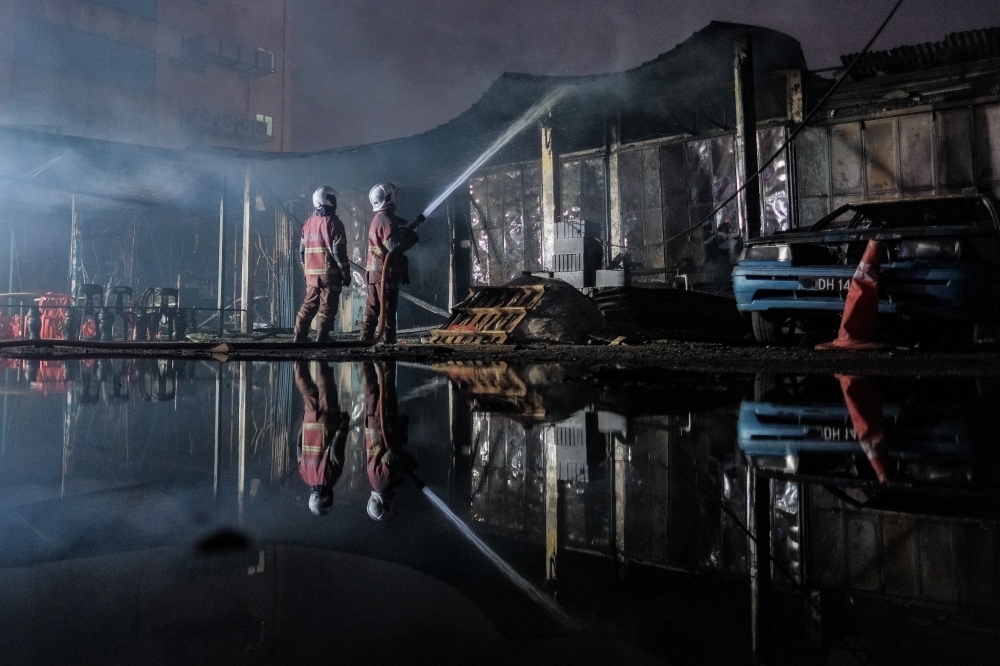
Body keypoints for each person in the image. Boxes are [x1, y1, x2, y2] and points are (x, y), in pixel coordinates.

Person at [359, 183, 422, 344]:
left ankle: (364, 339)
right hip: (384, 274)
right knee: (388, 308)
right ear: (389, 197)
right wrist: (411, 238)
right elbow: (393, 247)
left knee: (372, 307)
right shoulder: (386, 220)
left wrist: (412, 227)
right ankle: (388, 341)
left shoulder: (378, 219)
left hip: (374, 273)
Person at [293, 186, 351, 343]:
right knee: (328, 305)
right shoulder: (334, 223)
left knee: (309, 304)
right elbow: (339, 253)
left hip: (311, 274)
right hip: (328, 274)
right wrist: (346, 273)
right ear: (329, 200)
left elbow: (301, 251)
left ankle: (299, 334)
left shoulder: (308, 223)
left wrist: (306, 271)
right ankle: (323, 335)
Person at [362, 360, 417, 521]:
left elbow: (391, 455)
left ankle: (387, 341)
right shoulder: (375, 482)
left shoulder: (384, 482)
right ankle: (365, 349)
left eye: (391, 507)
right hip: (373, 426)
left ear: (386, 504)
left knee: (387, 382)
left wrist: (409, 466)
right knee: (371, 389)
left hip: (384, 425)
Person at [295, 360, 350, 516]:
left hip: (329, 420)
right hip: (310, 419)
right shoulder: (304, 476)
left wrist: (344, 424)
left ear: (324, 499)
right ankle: (300, 348)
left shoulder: (331, 478)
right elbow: (298, 446)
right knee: (305, 386)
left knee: (326, 386)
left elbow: (336, 447)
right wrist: (303, 425)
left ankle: (322, 349)